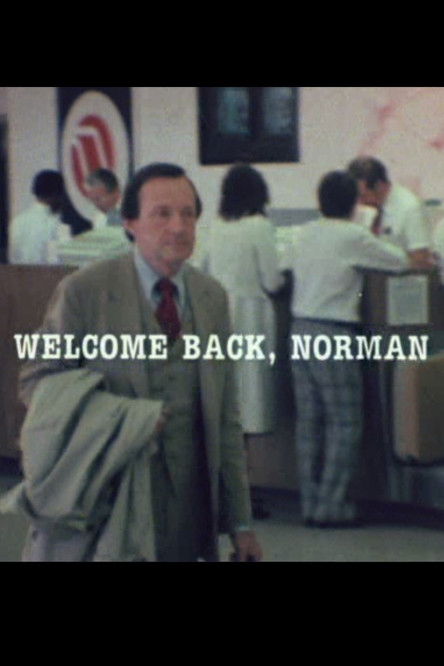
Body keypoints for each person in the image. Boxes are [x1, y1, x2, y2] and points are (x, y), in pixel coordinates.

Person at [15, 162, 263, 563]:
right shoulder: (84, 291)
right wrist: (124, 418)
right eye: (162, 214)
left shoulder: (212, 298)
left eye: (187, 214)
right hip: (107, 510)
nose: (178, 227)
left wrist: (241, 523)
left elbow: (226, 417)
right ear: (129, 223)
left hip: (187, 517)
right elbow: (37, 384)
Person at [282, 170, 418, 528]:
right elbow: (400, 261)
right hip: (333, 333)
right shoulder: (352, 235)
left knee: (309, 423)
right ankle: (332, 505)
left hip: (300, 329)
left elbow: (284, 267)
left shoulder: (304, 232)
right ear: (354, 203)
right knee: (344, 422)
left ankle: (310, 504)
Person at [199, 164, 284, 434]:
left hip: (219, 312)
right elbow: (272, 280)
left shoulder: (215, 226)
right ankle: (256, 450)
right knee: (253, 391)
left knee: (226, 388)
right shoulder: (260, 226)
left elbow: (202, 268)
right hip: (251, 314)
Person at [347, 156, 432, 267]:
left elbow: (421, 258)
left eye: (363, 195)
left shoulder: (410, 208)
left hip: (403, 276)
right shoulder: (369, 209)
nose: (360, 202)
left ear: (379, 186)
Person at [8, 170, 71, 264]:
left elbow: (12, 258)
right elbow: (59, 261)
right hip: (50, 272)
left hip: (20, 272)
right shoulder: (59, 223)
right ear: (56, 194)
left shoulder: (17, 222)